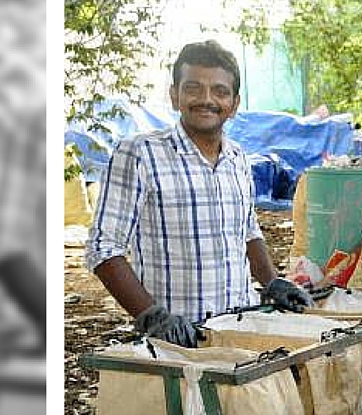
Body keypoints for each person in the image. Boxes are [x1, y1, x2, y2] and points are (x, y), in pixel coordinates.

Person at [86, 40, 312, 347]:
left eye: (220, 91)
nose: (206, 99)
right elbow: (103, 247)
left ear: (234, 105)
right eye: (193, 88)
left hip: (240, 328)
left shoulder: (238, 159)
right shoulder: (140, 154)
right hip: (176, 340)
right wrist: (152, 316)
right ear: (174, 95)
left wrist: (271, 281)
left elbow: (247, 230)